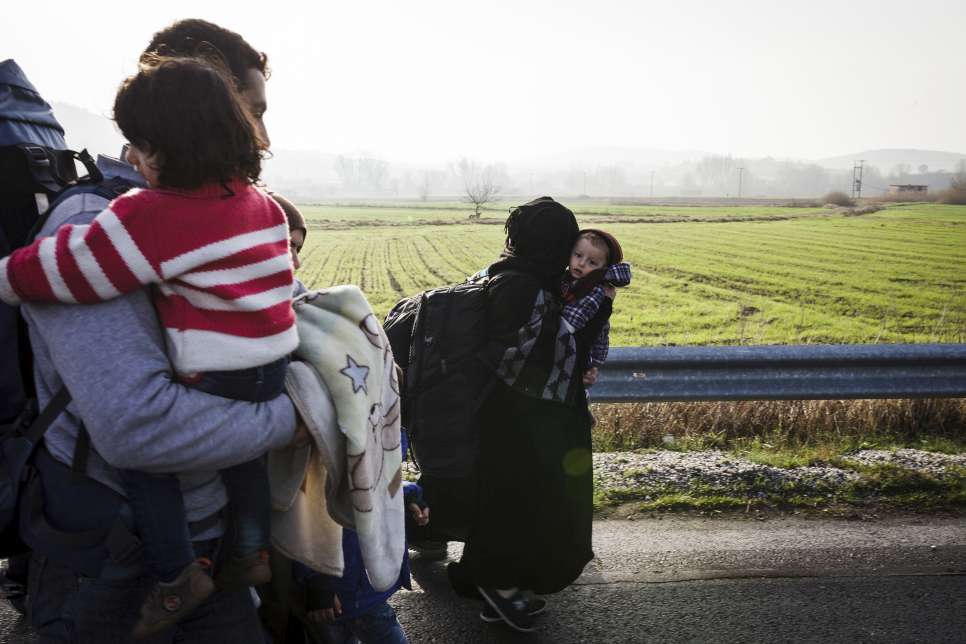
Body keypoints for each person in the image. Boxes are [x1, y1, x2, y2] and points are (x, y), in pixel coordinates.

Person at [19, 19, 300, 643]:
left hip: (211, 538)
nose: (264, 136)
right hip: (115, 555)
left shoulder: (227, 216)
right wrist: (297, 414)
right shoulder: (95, 226)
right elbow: (139, 431)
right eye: (250, 112)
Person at [445, 196, 598, 633]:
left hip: (503, 416)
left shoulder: (510, 275)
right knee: (518, 503)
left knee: (507, 502)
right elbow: (522, 359)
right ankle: (496, 583)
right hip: (518, 421)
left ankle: (496, 590)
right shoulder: (525, 286)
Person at [298, 432, 426, 644]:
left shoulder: (376, 447)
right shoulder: (320, 469)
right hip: (335, 594)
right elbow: (302, 527)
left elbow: (386, 486)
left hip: (364, 591)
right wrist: (317, 580)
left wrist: (410, 496)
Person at [560, 229, 632, 386]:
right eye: (578, 255)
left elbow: (569, 325)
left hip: (586, 353)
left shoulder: (594, 289)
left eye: (592, 262)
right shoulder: (571, 280)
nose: (581, 263)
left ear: (602, 269)